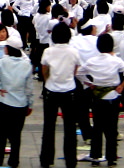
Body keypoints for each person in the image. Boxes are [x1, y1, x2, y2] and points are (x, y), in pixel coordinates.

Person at [78, 33, 124, 167]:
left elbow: (79, 72)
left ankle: (95, 156)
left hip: (97, 96)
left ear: (98, 46)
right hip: (113, 96)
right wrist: (122, 86)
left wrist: (88, 83)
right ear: (112, 46)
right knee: (111, 128)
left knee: (97, 127)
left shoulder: (92, 61)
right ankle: (111, 158)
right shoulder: (116, 60)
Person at [0, 36, 34, 168]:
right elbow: (29, 88)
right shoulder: (26, 64)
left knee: (0, 134)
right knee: (15, 136)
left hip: (3, 101)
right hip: (20, 104)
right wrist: (30, 104)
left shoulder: (3, 61)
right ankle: (14, 161)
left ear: (8, 49)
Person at [40, 22, 82, 168]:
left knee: (49, 127)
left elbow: (44, 69)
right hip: (69, 91)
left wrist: (48, 81)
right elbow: (76, 69)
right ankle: (71, 161)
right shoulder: (74, 52)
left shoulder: (48, 51)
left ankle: (46, 159)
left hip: (51, 90)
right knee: (70, 128)